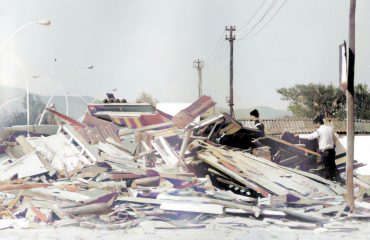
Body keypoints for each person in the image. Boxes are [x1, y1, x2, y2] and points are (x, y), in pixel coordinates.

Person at [298, 115, 342, 182]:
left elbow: (310, 137)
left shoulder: (319, 130)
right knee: (333, 166)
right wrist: (334, 144)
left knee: (327, 168)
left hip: (325, 152)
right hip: (332, 151)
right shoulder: (330, 128)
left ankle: (330, 182)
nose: (315, 126)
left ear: (318, 122)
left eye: (315, 124)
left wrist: (299, 135)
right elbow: (337, 136)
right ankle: (338, 180)